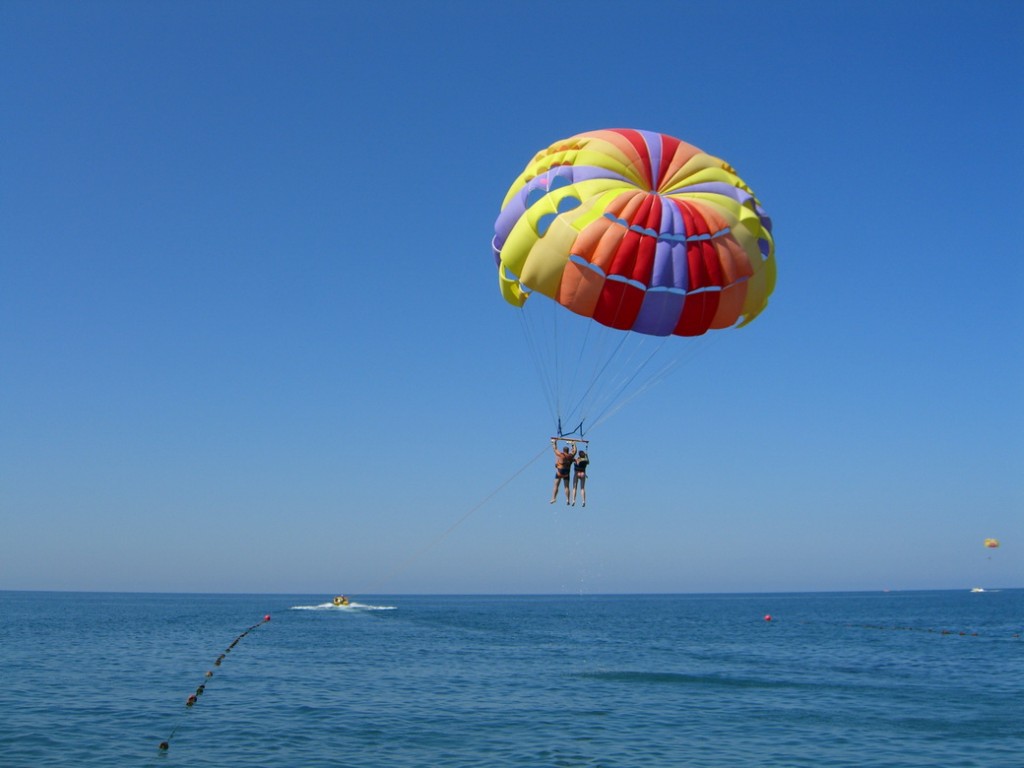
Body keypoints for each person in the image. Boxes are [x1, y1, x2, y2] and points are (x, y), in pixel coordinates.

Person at [549, 439, 575, 504]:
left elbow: (555, 449)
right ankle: (568, 499)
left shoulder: (561, 455)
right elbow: (575, 451)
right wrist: (573, 444)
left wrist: (554, 442)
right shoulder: (570, 456)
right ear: (568, 451)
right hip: (566, 472)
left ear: (563, 450)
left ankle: (554, 498)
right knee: (566, 487)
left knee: (556, 485)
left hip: (560, 472)